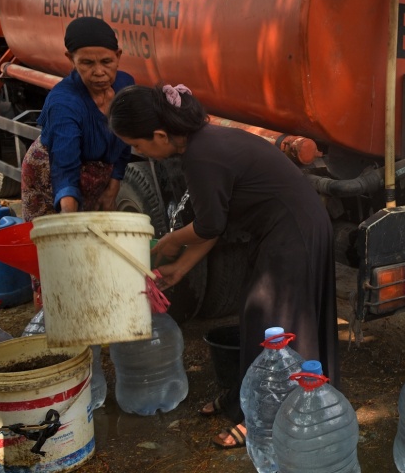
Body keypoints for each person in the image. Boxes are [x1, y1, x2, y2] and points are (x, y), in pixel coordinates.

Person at [108, 84, 339, 448]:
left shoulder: (202, 155)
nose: (137, 152)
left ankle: (267, 417)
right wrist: (181, 267)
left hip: (294, 232)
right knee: (256, 315)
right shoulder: (201, 144)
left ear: (159, 134)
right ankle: (245, 399)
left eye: (137, 145)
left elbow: (208, 226)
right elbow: (215, 221)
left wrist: (168, 243)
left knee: (278, 324)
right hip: (285, 229)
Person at [20, 17, 135, 309]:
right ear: (70, 59)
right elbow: (65, 169)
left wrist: (114, 184)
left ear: (119, 56)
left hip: (98, 172)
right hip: (50, 177)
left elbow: (126, 139)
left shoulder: (125, 86)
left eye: (107, 61)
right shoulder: (64, 102)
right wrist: (70, 222)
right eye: (86, 63)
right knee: (57, 252)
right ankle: (58, 317)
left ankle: (94, 307)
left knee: (94, 246)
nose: (99, 72)